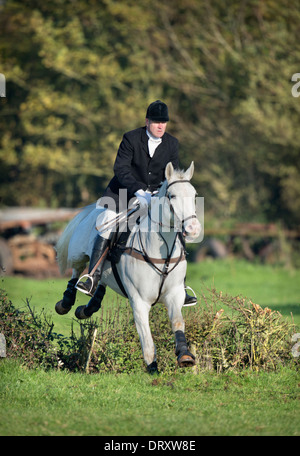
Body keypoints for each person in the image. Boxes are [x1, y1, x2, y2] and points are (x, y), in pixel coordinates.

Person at [76, 100, 197, 305]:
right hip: (124, 193)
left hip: (156, 197)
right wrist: (139, 191)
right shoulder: (131, 138)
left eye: (164, 122)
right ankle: (93, 277)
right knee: (107, 222)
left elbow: (173, 177)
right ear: (147, 121)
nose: (161, 126)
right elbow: (121, 169)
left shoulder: (172, 143)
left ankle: (181, 286)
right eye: (157, 122)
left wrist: (158, 194)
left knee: (177, 224)